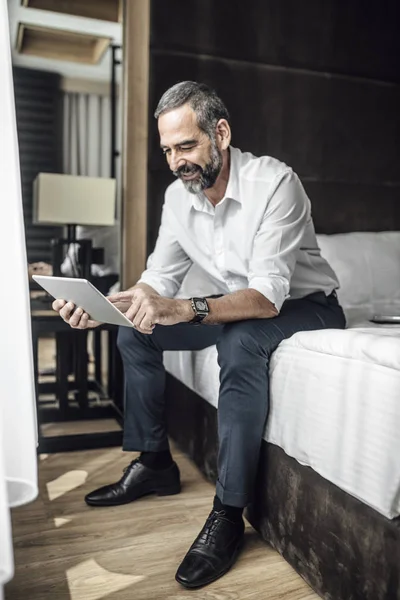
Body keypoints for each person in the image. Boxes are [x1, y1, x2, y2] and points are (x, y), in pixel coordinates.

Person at [52, 81, 346, 589]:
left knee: (238, 343)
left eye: (186, 146)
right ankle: (154, 463)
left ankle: (229, 515)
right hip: (233, 305)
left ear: (221, 133)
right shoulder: (177, 196)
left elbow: (267, 298)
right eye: (168, 150)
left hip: (305, 306)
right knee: (137, 333)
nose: (176, 161)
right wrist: (109, 309)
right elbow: (158, 281)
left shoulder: (275, 183)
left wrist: (181, 308)